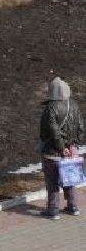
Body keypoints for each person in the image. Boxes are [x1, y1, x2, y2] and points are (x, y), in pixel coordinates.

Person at [39, 76, 84, 219]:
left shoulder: (50, 108)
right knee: (69, 178)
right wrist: (73, 145)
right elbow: (81, 128)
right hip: (70, 151)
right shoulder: (74, 105)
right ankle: (73, 206)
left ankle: (53, 210)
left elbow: (52, 132)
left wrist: (61, 147)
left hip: (53, 151)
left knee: (52, 181)